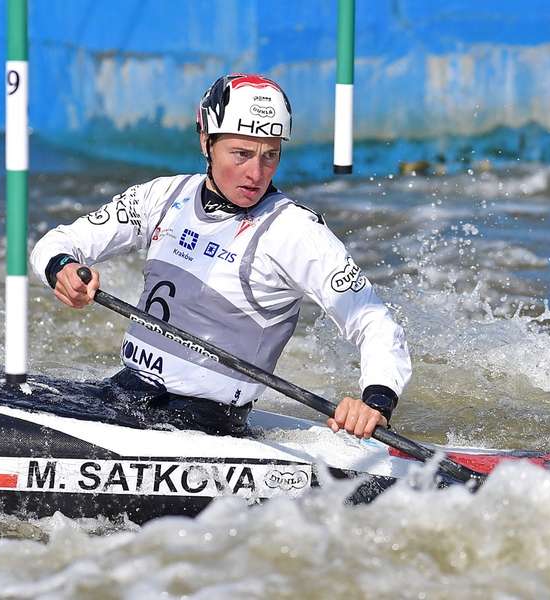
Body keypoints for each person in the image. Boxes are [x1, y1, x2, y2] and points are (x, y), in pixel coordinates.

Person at [30, 73, 411, 437]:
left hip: (205, 425)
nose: (256, 173)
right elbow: (57, 243)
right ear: (205, 142)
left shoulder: (295, 232)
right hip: (125, 395)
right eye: (241, 154)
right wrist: (63, 268)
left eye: (270, 156)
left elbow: (375, 322)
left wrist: (375, 401)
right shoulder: (164, 197)